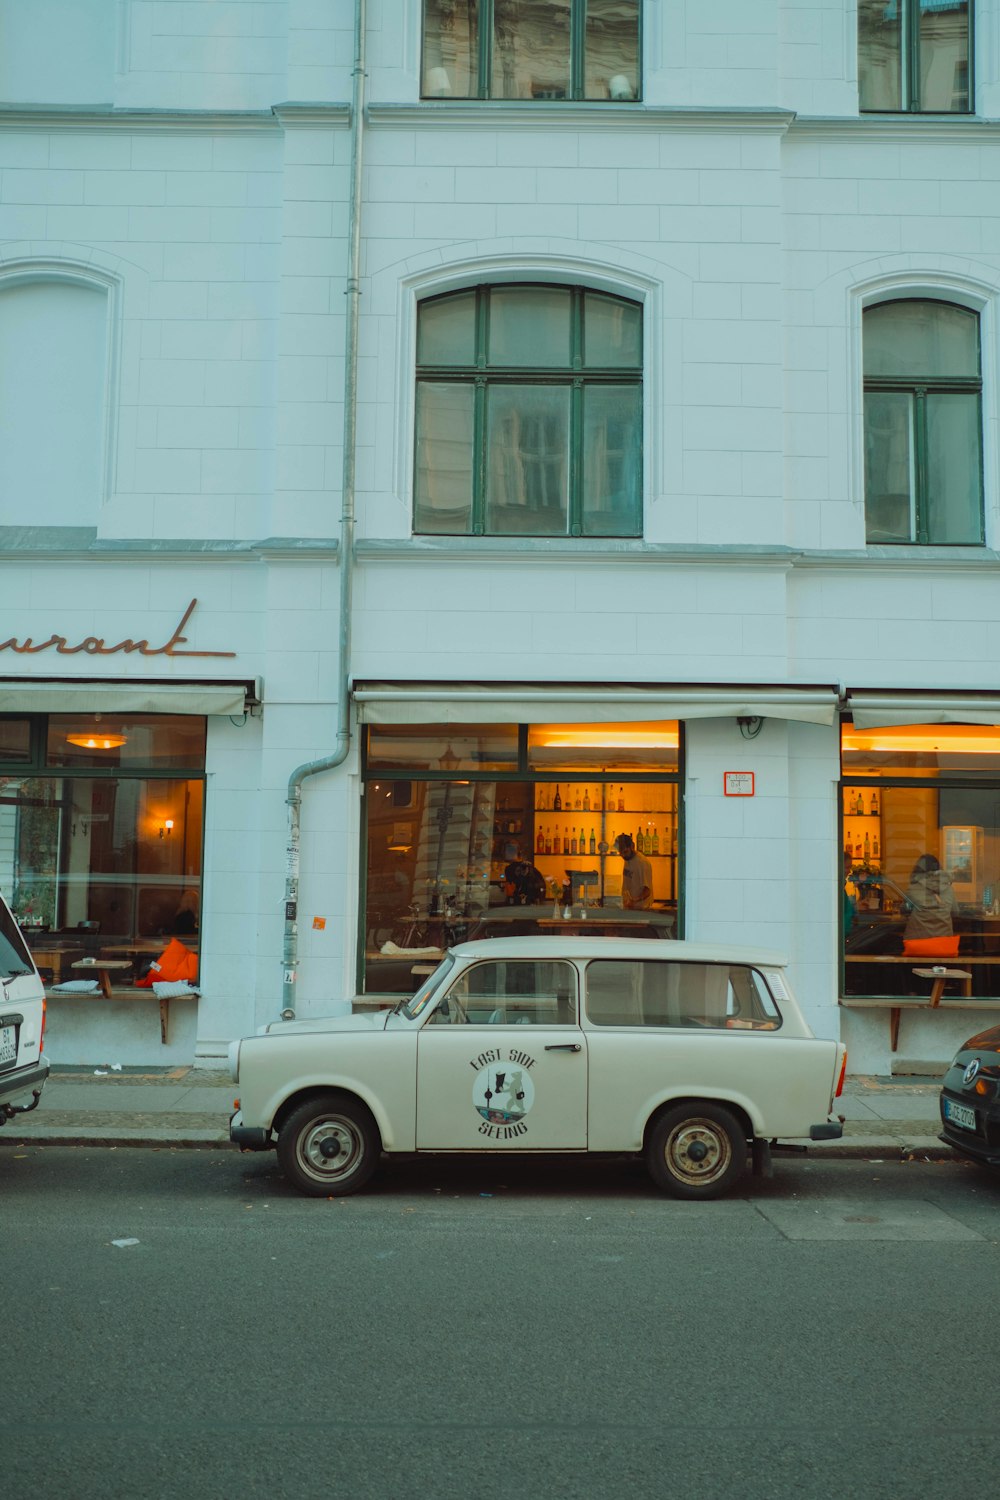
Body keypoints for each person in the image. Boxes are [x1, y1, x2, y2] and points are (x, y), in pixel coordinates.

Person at [904, 853, 958, 941]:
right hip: (944, 942)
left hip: (917, 941)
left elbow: (905, 910)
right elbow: (955, 912)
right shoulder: (949, 890)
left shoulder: (913, 889)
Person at [616, 833, 652, 910]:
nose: (623, 855)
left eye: (625, 852)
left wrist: (634, 901)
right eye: (620, 853)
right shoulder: (628, 859)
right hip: (629, 908)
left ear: (632, 846)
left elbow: (647, 891)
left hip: (640, 909)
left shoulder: (642, 863)